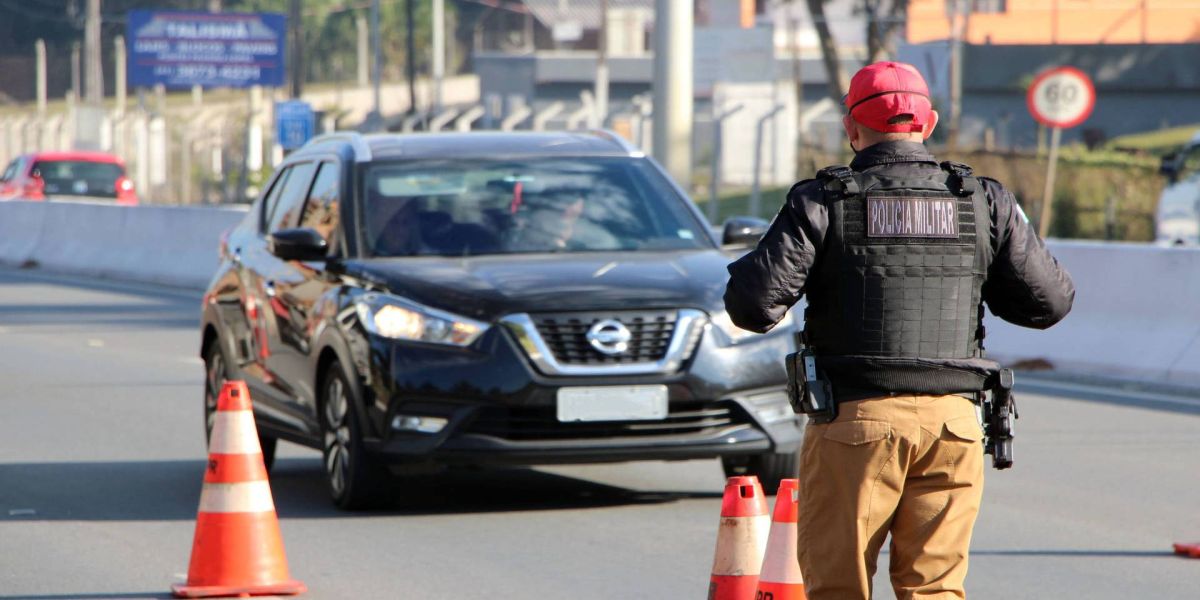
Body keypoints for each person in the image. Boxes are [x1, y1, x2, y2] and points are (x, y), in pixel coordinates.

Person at [723, 61, 1075, 599]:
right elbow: (1047, 303)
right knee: (935, 590)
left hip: (855, 423)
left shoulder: (822, 201)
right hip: (954, 425)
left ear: (851, 129)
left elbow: (752, 305)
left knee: (839, 587)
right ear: (928, 123)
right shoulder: (981, 200)